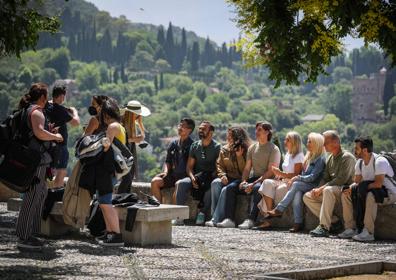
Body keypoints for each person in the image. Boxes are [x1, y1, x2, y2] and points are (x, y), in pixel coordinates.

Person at [16, 83, 63, 251]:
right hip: (36, 161)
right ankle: (24, 236)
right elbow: (39, 133)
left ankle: (32, 233)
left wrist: (47, 131)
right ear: (43, 97)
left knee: (41, 193)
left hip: (33, 160)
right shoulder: (36, 111)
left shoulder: (28, 110)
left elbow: (37, 132)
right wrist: (55, 136)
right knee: (32, 196)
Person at [338, 136, 396, 241]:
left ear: (364, 150)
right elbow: (357, 182)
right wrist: (350, 188)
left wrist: (361, 187)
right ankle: (350, 228)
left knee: (371, 195)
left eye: (356, 148)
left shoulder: (379, 161)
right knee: (346, 194)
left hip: (390, 193)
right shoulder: (359, 163)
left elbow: (378, 184)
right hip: (373, 190)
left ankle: (368, 232)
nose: (354, 151)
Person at [266, 133, 326, 232]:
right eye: (308, 141)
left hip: (313, 185)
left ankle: (279, 209)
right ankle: (298, 223)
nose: (307, 143)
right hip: (305, 185)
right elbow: (304, 174)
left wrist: (296, 178)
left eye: (310, 141)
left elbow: (312, 177)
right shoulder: (308, 156)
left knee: (296, 184)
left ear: (317, 143)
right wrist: (296, 178)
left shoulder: (320, 159)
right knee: (297, 193)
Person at [303, 130, 356, 237]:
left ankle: (324, 227)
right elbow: (325, 178)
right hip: (333, 192)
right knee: (307, 196)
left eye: (325, 143)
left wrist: (321, 189)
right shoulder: (330, 158)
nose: (323, 145)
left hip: (346, 190)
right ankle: (334, 221)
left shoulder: (347, 157)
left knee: (327, 190)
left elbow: (341, 179)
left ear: (335, 142)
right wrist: (317, 190)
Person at [254, 131, 304, 230]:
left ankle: (267, 219)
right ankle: (270, 213)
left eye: (287, 140)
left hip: (291, 183)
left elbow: (296, 174)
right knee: (267, 183)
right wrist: (279, 175)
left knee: (270, 192)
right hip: (283, 180)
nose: (285, 142)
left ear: (294, 142)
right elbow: (285, 171)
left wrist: (280, 173)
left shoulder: (299, 156)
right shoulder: (288, 154)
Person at [174, 121, 221, 225]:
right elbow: (189, 167)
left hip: (210, 177)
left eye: (204, 129)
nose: (200, 131)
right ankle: (179, 216)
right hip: (196, 176)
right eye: (199, 129)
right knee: (182, 184)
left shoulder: (217, 147)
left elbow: (218, 167)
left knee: (210, 188)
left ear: (211, 132)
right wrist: (192, 177)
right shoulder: (195, 146)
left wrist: (208, 178)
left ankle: (202, 213)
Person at [238, 121, 281, 229]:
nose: (256, 132)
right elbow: (247, 168)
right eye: (256, 129)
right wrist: (244, 181)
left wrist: (253, 184)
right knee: (230, 188)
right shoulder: (252, 148)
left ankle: (251, 219)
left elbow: (270, 172)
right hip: (255, 179)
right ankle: (227, 218)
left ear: (267, 132)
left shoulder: (274, 149)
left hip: (267, 181)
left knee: (257, 188)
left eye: (259, 130)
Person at [205, 127, 251, 228]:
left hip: (240, 179)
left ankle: (215, 219)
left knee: (226, 189)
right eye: (228, 135)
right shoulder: (224, 149)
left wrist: (239, 156)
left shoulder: (246, 150)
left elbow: (244, 170)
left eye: (231, 136)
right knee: (215, 183)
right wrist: (222, 175)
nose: (228, 138)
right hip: (228, 177)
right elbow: (219, 165)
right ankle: (216, 216)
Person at [95, 99, 126, 246]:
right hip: (112, 169)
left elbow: (105, 147)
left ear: (106, 114)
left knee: (106, 203)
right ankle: (110, 233)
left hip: (108, 169)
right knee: (103, 202)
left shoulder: (112, 126)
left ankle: (116, 235)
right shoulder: (120, 126)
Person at [150, 118, 195, 203]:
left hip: (184, 177)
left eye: (183, 126)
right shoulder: (173, 144)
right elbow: (168, 161)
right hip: (172, 175)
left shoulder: (192, 146)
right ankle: (157, 208)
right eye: (179, 125)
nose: (179, 128)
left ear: (189, 130)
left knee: (178, 187)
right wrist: (166, 172)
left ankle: (175, 214)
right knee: (155, 182)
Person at [45, 81, 80, 189]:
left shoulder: (47, 106)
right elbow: (75, 123)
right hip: (60, 145)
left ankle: (43, 193)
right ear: (61, 96)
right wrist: (74, 111)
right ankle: (55, 193)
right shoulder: (60, 109)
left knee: (47, 170)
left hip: (47, 143)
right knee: (61, 170)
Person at [118, 100, 151, 193]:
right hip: (123, 152)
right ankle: (120, 197)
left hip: (130, 150)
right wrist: (134, 140)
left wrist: (140, 124)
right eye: (137, 114)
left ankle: (124, 197)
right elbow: (120, 141)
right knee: (127, 177)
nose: (138, 116)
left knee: (130, 176)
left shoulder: (132, 123)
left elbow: (141, 136)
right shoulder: (121, 123)